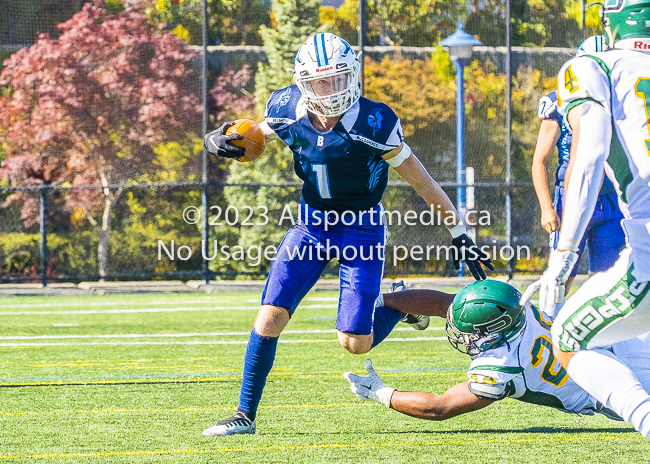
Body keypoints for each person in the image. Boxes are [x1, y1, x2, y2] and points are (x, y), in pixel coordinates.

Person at [201, 33, 493, 436]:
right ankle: (245, 414)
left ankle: (399, 303)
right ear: (304, 82)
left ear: (353, 76)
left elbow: (423, 184)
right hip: (311, 227)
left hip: (361, 230)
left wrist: (460, 233)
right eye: (321, 81)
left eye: (338, 79)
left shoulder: (376, 121)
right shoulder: (287, 107)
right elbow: (254, 134)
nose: (331, 89)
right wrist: (222, 138)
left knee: (355, 343)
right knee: (269, 317)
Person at [522, 0, 650, 439]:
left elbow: (590, 151)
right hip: (605, 207)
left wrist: (562, 254)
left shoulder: (594, 66)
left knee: (569, 336)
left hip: (624, 218)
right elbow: (544, 159)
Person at [344, 281, 650, 426]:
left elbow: (440, 407)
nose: (464, 336)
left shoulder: (501, 364)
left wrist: (382, 393)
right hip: (624, 343)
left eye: (471, 332)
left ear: (496, 330)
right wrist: (382, 299)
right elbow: (444, 303)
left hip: (601, 386)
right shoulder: (517, 306)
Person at [531, 35, 624, 304]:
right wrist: (547, 207)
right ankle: (549, 330)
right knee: (563, 274)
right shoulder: (558, 102)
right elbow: (540, 160)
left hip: (610, 200)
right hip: (570, 198)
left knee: (607, 277)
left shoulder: (622, 101)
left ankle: (605, 340)